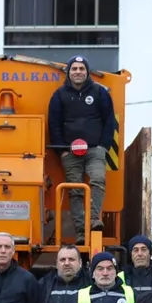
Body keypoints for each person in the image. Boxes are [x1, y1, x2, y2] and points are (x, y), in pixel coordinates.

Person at [47, 54, 118, 240]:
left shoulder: (100, 92)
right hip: (70, 152)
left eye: (81, 69)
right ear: (68, 72)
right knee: (75, 189)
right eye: (74, 69)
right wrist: (61, 151)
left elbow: (110, 121)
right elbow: (53, 124)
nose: (78, 72)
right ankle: (81, 231)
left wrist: (104, 146)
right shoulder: (59, 95)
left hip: (95, 150)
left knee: (98, 180)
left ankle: (94, 220)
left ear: (87, 72)